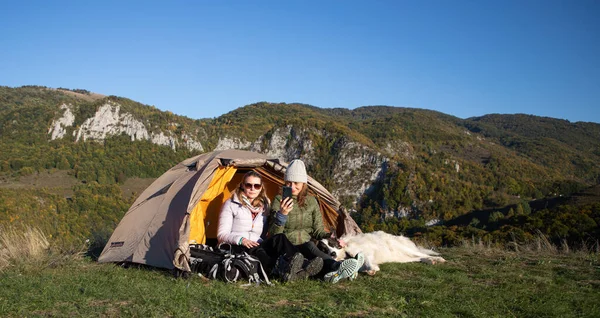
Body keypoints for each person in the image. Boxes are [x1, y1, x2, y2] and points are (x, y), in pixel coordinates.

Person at [269, 159, 364, 283]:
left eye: (296, 183)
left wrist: (331, 237)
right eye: (288, 183)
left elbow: (318, 230)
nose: (291, 187)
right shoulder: (278, 200)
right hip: (286, 245)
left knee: (311, 247)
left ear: (303, 184)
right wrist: (282, 214)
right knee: (308, 256)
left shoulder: (312, 201)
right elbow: (274, 234)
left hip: (305, 243)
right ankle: (338, 269)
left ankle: (337, 268)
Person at [217, 170, 323, 282]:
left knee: (279, 238)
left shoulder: (265, 205)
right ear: (242, 185)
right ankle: (280, 270)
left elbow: (270, 229)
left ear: (261, 187)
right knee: (258, 252)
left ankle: (302, 265)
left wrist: (282, 214)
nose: (252, 188)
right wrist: (241, 240)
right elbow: (221, 235)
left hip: (258, 242)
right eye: (249, 185)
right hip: (236, 245)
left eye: (256, 186)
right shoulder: (231, 204)